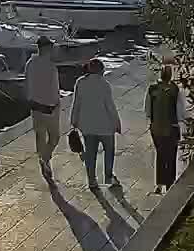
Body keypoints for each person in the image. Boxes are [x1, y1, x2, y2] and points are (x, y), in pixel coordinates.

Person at [71, 58, 122, 190]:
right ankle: (108, 177)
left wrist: (74, 121)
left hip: (88, 126)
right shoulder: (104, 84)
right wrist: (117, 123)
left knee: (90, 154)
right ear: (101, 70)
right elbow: (110, 106)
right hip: (105, 127)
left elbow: (76, 104)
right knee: (109, 152)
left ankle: (92, 180)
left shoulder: (80, 83)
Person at [25, 36, 62, 179]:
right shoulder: (50, 66)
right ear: (46, 48)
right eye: (51, 47)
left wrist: (30, 99)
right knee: (55, 136)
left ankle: (43, 160)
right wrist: (57, 103)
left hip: (35, 106)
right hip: (49, 107)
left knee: (40, 136)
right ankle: (45, 158)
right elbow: (54, 88)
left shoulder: (30, 63)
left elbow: (27, 83)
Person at [146, 64, 184, 192]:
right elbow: (180, 112)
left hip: (156, 128)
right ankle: (170, 183)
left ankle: (159, 183)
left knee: (160, 154)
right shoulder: (175, 89)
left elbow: (147, 110)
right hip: (171, 128)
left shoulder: (152, 89)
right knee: (171, 156)